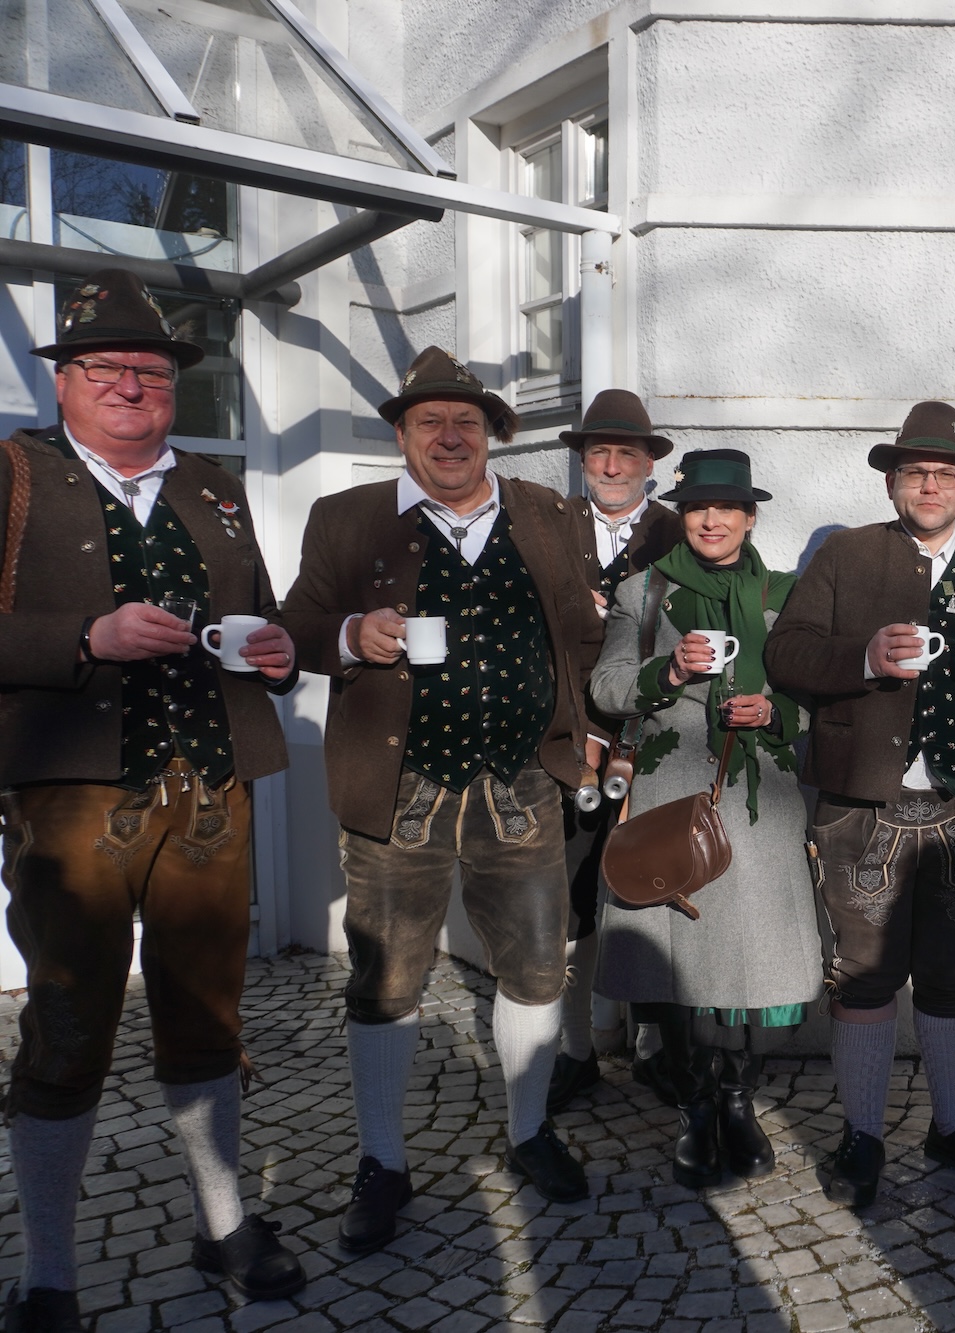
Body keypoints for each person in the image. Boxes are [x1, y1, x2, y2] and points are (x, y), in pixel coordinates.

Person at [0, 267, 305, 1329]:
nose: (131, 385)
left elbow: (260, 613)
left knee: (208, 1013)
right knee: (67, 1019)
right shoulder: (13, 475)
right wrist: (87, 638)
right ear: (64, 380)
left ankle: (223, 1225)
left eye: (152, 370)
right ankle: (49, 1272)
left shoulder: (214, 486)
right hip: (72, 797)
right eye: (106, 368)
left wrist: (277, 654)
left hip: (210, 789)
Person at [284, 347, 605, 1252]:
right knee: (386, 978)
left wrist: (583, 724)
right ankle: (383, 1160)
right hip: (399, 789)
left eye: (468, 420)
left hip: (522, 782)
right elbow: (295, 625)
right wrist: (352, 632)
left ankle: (530, 1130)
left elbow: (581, 634)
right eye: (431, 421)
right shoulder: (346, 517)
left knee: (537, 965)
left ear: (493, 433)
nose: (451, 436)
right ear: (402, 434)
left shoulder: (546, 513)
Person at [767, 402, 955, 1208]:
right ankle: (862, 1136)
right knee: (864, 979)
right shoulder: (846, 555)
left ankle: (950, 1123)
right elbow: (785, 652)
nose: (930, 485)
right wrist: (863, 656)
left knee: (947, 974)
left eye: (945, 473)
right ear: (893, 482)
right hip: (863, 810)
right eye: (915, 472)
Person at [589, 448, 821, 1187]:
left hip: (761, 802)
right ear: (682, 515)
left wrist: (775, 711)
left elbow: (817, 695)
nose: (711, 520)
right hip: (672, 797)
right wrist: (671, 671)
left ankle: (738, 1102)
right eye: (697, 508)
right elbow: (607, 687)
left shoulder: (786, 594)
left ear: (751, 518)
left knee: (756, 964)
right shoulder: (643, 592)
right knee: (682, 962)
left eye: (726, 508)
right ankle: (694, 1108)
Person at [548, 389, 679, 1116]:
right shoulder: (549, 526)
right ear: (583, 459)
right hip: (564, 743)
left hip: (653, 740)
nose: (610, 465)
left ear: (648, 462)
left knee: (651, 886)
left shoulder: (678, 530)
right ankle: (576, 1051)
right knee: (569, 898)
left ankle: (654, 1050)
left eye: (625, 453)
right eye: (598, 452)